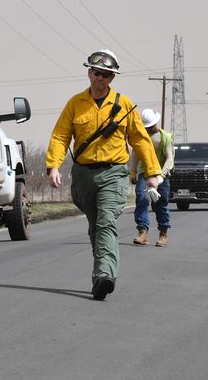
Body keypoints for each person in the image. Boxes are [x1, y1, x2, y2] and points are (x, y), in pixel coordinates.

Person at [45, 49, 162, 301]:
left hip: (114, 173)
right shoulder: (75, 104)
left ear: (112, 78)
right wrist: (53, 166)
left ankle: (104, 276)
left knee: (106, 221)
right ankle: (101, 273)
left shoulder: (124, 105)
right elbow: (60, 137)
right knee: (95, 226)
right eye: (97, 73)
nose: (101, 79)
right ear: (89, 73)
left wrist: (152, 172)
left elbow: (141, 140)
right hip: (84, 175)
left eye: (107, 75)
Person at [129, 108, 173, 247]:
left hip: (161, 175)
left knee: (160, 204)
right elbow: (135, 154)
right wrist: (133, 171)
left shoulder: (165, 137)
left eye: (150, 127)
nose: (148, 129)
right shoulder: (141, 137)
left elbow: (169, 159)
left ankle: (163, 234)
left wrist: (161, 175)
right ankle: (143, 232)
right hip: (144, 173)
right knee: (141, 200)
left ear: (156, 123)